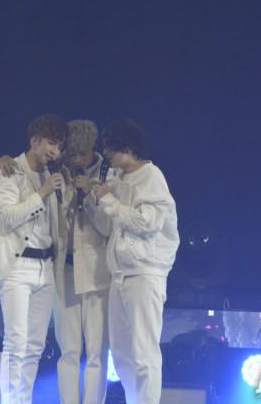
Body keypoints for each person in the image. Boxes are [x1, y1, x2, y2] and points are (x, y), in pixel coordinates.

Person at [0, 120, 112, 404]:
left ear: (93, 150)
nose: (76, 159)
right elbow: (24, 175)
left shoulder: (110, 175)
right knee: (64, 350)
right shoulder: (55, 172)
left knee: (95, 351)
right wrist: (6, 159)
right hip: (60, 270)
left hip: (96, 272)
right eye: (71, 153)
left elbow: (109, 226)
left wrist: (91, 195)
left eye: (82, 154)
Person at [0, 114, 68, 404]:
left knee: (35, 345)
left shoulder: (53, 175)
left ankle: (23, 399)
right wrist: (42, 193)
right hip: (17, 266)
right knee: (16, 341)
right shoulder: (8, 170)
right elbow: (8, 216)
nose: (55, 151)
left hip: (46, 267)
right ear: (35, 140)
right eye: (51, 143)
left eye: (59, 146)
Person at [90, 119, 179, 404]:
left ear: (127, 149)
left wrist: (110, 201)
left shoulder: (151, 176)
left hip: (145, 273)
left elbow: (147, 223)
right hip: (120, 274)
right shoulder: (119, 179)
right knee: (122, 353)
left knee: (144, 352)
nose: (107, 155)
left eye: (111, 149)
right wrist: (97, 201)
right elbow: (108, 225)